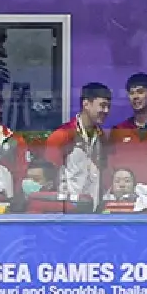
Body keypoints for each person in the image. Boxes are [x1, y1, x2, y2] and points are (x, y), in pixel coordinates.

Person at [45, 81, 112, 211]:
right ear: (86, 104)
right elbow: (49, 177)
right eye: (102, 106)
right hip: (67, 211)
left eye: (108, 106)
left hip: (94, 210)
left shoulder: (101, 136)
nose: (106, 111)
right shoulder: (63, 135)